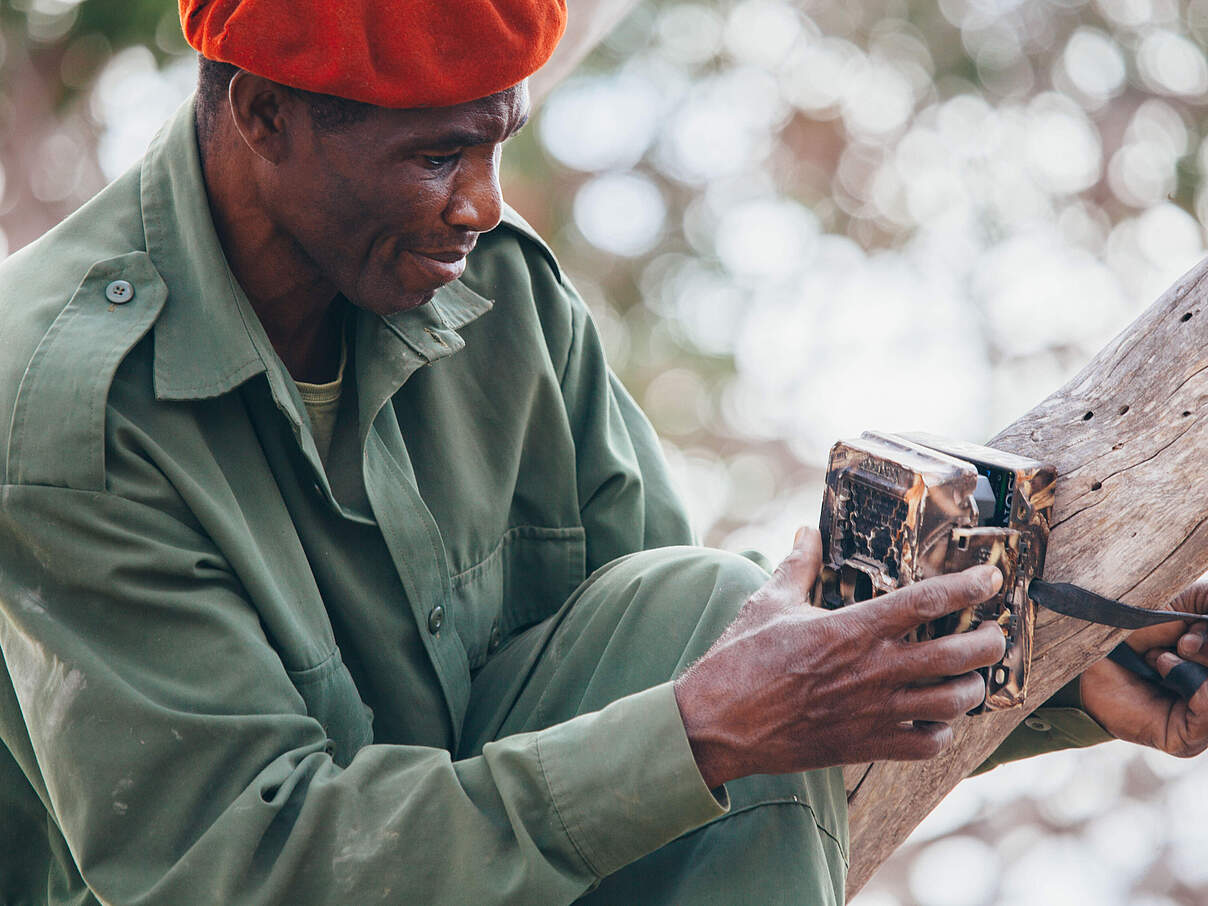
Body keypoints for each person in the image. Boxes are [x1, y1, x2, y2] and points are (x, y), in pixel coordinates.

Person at [1, 2, 1205, 903]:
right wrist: (699, 733)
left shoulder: (496, 298)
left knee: (695, 601)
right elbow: (236, 870)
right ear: (260, 112)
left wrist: (1043, 683)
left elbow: (697, 672)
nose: (479, 204)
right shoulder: (66, 412)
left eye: (493, 146)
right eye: (435, 157)